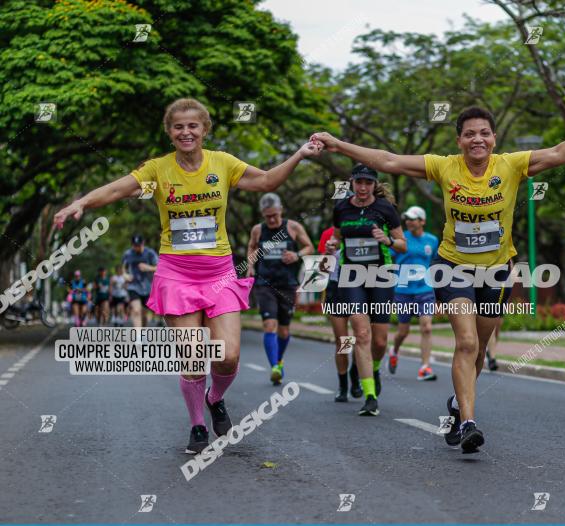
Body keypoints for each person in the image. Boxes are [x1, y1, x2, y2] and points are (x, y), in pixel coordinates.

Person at [311, 99, 565, 452]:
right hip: (453, 267)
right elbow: (388, 160)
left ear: (493, 138)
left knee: (477, 350)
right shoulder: (446, 168)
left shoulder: (510, 165)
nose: (478, 139)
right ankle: (469, 424)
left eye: (485, 133)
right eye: (469, 134)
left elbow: (558, 152)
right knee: (467, 342)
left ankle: (458, 406)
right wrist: (339, 144)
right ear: (459, 140)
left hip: (496, 272)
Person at [53, 97, 322, 454]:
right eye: (178, 127)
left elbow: (267, 180)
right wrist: (81, 203)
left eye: (193, 125)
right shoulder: (158, 169)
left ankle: (215, 397)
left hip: (220, 274)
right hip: (177, 274)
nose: (186, 132)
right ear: (169, 132)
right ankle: (197, 424)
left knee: (227, 356)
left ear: (204, 129)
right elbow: (119, 188)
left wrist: (299, 154)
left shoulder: (222, 163)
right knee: (193, 355)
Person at [332, 164, 406, 416]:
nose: (363, 187)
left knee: (380, 339)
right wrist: (333, 244)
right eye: (359, 182)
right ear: (351, 182)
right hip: (351, 275)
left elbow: (402, 244)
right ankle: (370, 395)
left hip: (381, 275)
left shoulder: (385, 209)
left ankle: (373, 367)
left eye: (368, 183)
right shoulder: (341, 208)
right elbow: (337, 237)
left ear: (375, 185)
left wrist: (388, 240)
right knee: (361, 334)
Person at [247, 192, 314, 385]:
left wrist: (297, 255)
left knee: (284, 331)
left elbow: (309, 246)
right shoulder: (258, 230)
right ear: (262, 214)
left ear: (281, 210)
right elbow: (252, 247)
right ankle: (275, 366)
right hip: (264, 284)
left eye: (275, 215)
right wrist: (250, 266)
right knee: (269, 325)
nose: (272, 219)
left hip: (287, 284)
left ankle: (279, 359)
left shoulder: (293, 227)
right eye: (268, 216)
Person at [388, 205, 439, 381]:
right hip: (403, 290)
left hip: (425, 288)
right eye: (407, 219)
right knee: (403, 331)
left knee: (427, 327)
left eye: (413, 218)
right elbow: (387, 257)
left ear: (422, 221)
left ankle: (425, 367)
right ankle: (394, 351)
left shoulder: (432, 240)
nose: (409, 222)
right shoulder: (401, 240)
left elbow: (434, 263)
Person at [318, 226, 361, 402]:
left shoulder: (362, 230)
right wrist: (328, 253)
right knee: (342, 340)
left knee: (361, 336)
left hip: (360, 286)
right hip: (336, 289)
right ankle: (343, 385)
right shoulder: (328, 234)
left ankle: (356, 373)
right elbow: (322, 269)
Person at [122, 235, 159, 328]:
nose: (137, 248)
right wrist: (125, 275)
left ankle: (143, 334)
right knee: (136, 310)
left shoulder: (150, 253)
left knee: (144, 314)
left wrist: (149, 268)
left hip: (148, 288)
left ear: (143, 244)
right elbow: (124, 268)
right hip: (133, 286)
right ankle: (138, 338)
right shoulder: (128, 254)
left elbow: (160, 267)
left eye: (139, 245)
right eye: (134, 245)